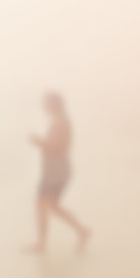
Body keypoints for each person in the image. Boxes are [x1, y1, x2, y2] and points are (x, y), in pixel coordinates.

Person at [25, 92, 90, 252]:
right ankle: (81, 231)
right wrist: (41, 142)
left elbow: (57, 147)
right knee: (50, 206)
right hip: (56, 171)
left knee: (43, 205)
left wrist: (37, 141)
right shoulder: (60, 120)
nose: (43, 106)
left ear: (52, 105)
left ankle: (41, 244)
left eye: (45, 103)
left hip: (56, 171)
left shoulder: (60, 122)